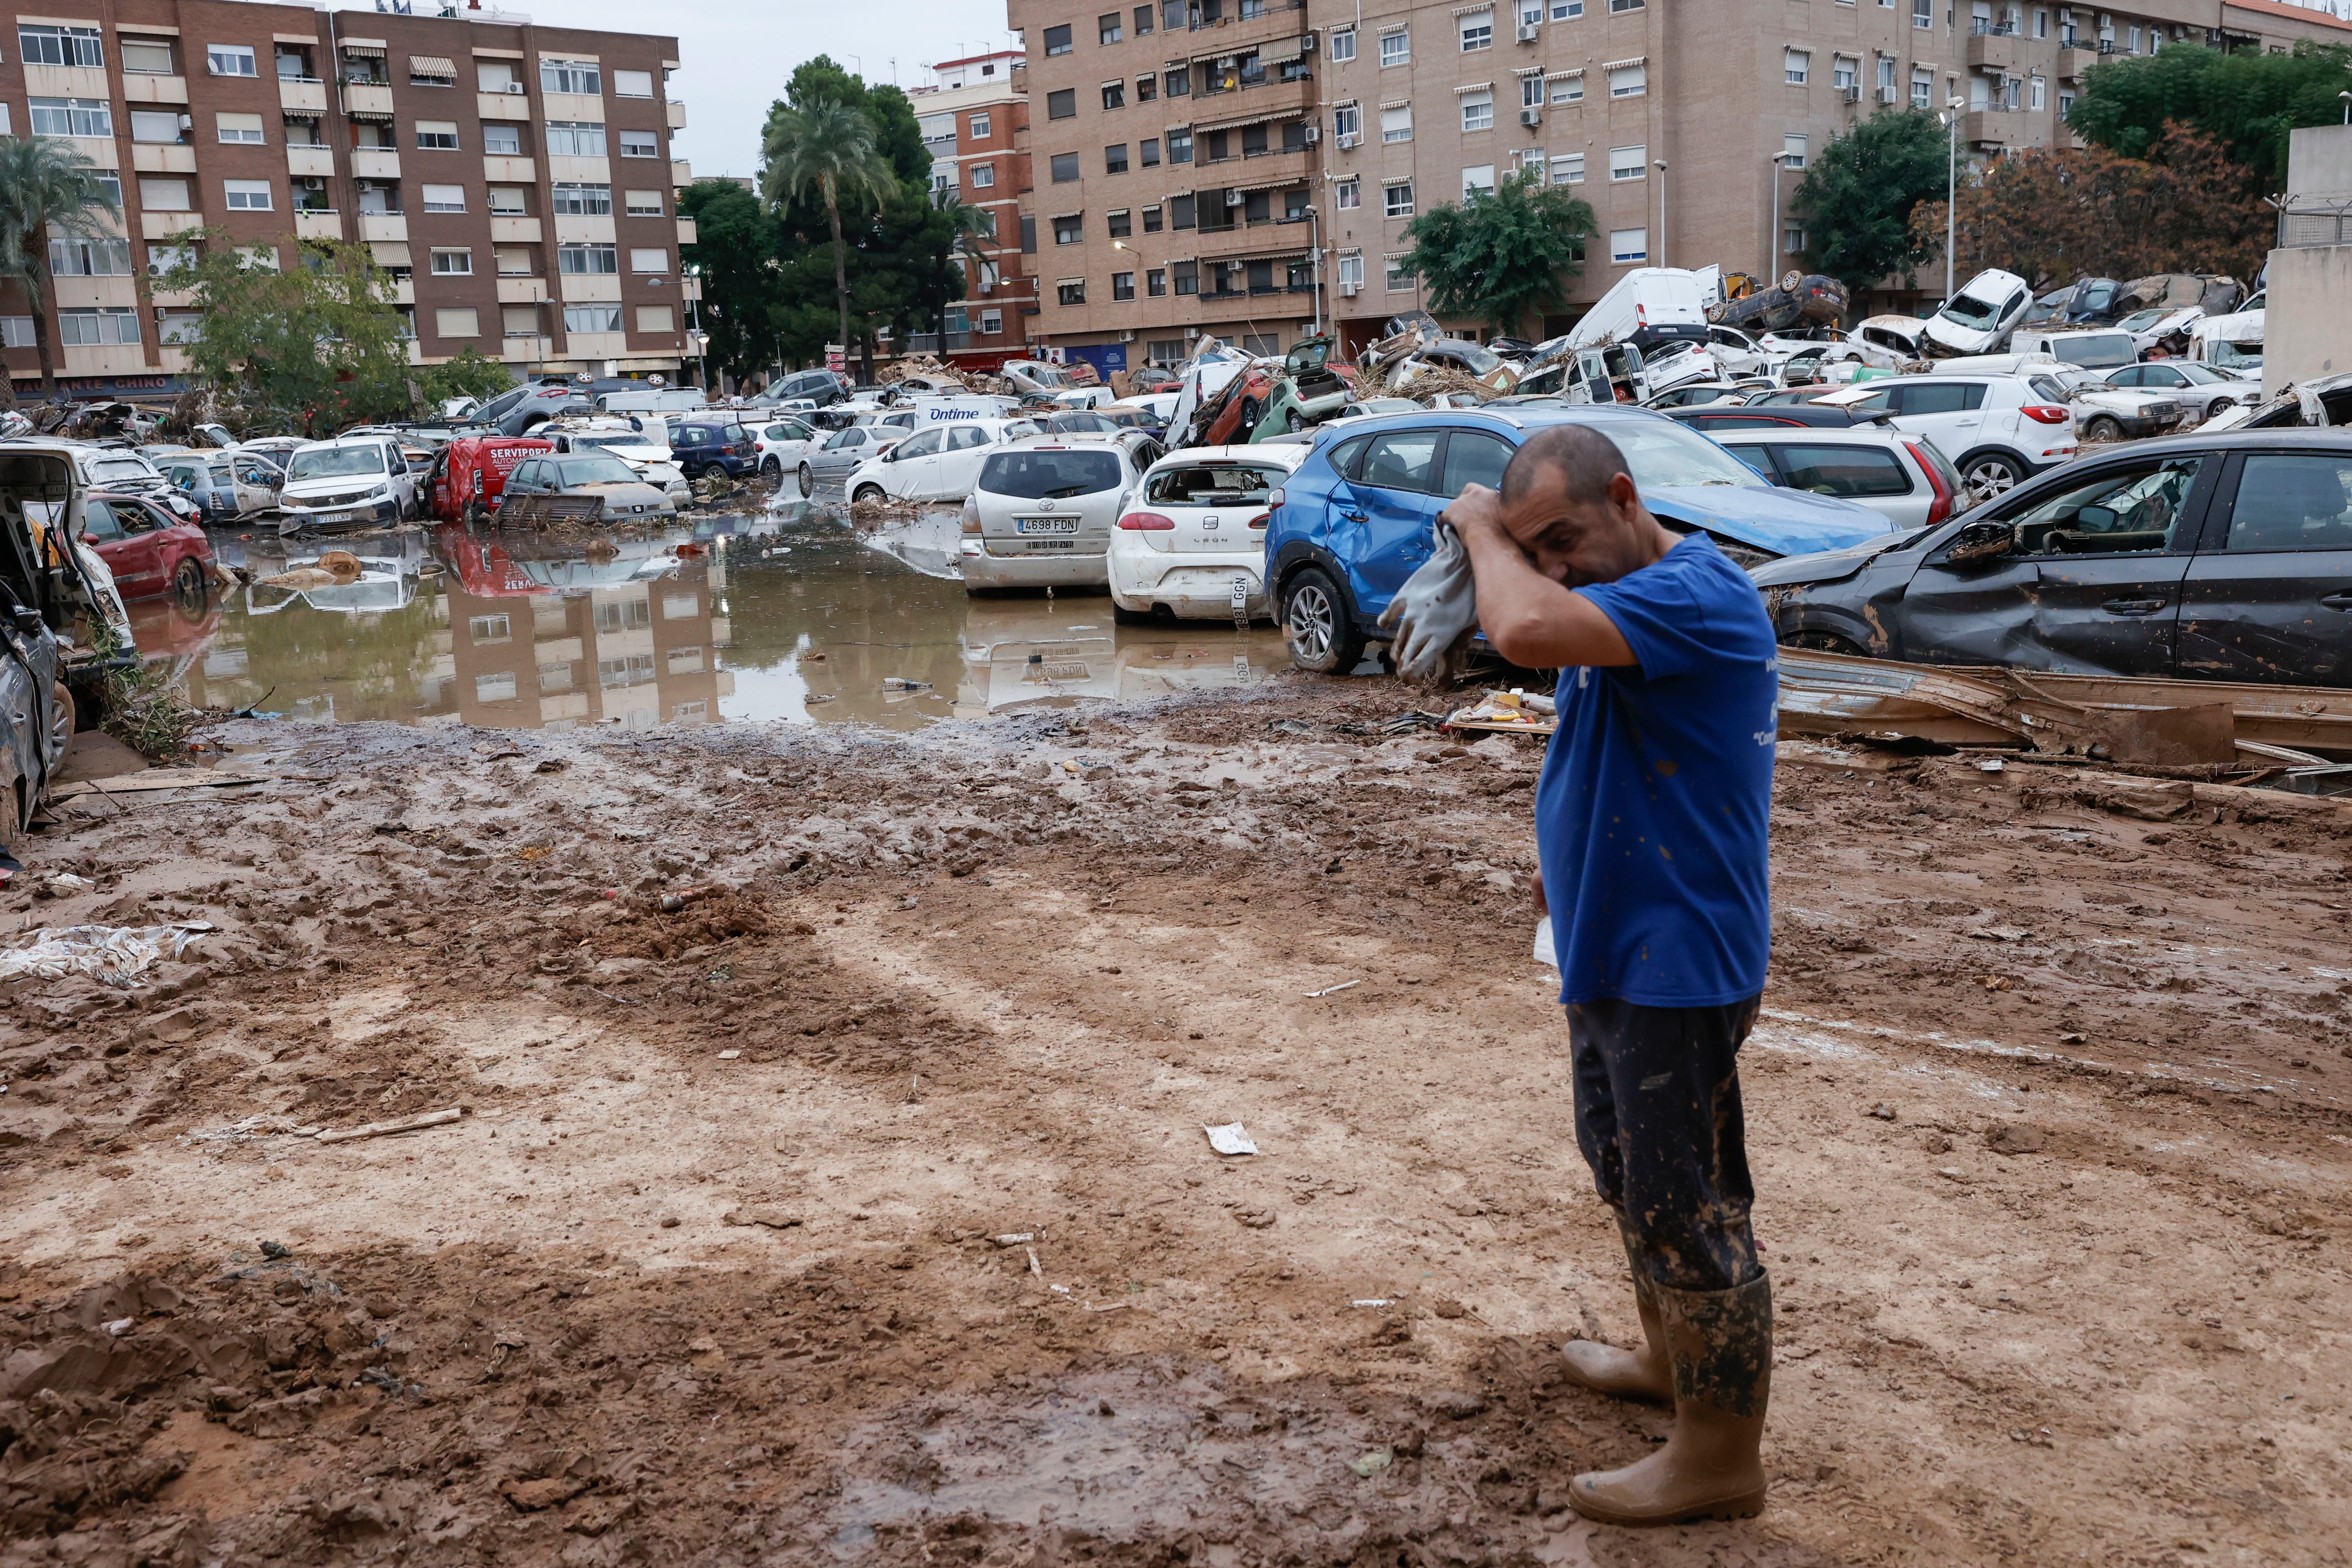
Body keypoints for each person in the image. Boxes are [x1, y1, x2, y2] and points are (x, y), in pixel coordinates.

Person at [1442, 422, 1780, 1528]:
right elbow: (1586, 737)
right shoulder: (1623, 606)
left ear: (1625, 497)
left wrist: (1483, 529)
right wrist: (1559, 863)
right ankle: (1664, 1356)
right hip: (1612, 939)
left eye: (1561, 537)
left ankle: (1720, 1456)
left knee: (1689, 1203)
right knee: (1627, 1170)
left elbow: (1522, 626)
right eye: (1534, 546)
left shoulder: (1695, 594)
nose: (1550, 565)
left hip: (1676, 960)